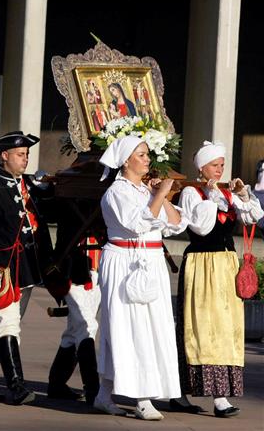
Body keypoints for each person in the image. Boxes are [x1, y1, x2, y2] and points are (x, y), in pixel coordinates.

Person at [95, 135, 187, 420]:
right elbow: (136, 225)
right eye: (142, 154)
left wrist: (162, 194)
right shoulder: (116, 192)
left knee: (152, 326)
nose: (148, 160)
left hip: (150, 262)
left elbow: (175, 224)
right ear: (126, 160)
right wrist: (159, 194)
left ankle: (103, 393)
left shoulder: (145, 191)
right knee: (129, 329)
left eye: (148, 154)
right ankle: (141, 398)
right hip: (124, 262)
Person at [173, 142, 263, 417]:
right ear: (202, 168)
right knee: (199, 327)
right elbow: (200, 226)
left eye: (222, 165)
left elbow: (255, 217)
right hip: (201, 265)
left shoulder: (225, 193)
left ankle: (220, 396)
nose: (219, 169)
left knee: (225, 329)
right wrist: (212, 198)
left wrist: (243, 195)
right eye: (215, 165)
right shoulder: (192, 192)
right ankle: (180, 391)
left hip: (224, 267)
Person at [0, 131, 55, 404]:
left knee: (3, 324)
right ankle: (15, 385)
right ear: (4, 156)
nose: (25, 159)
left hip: (27, 267)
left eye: (27, 155)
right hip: (4, 268)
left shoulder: (26, 184)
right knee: (8, 323)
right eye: (21, 155)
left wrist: (48, 190)